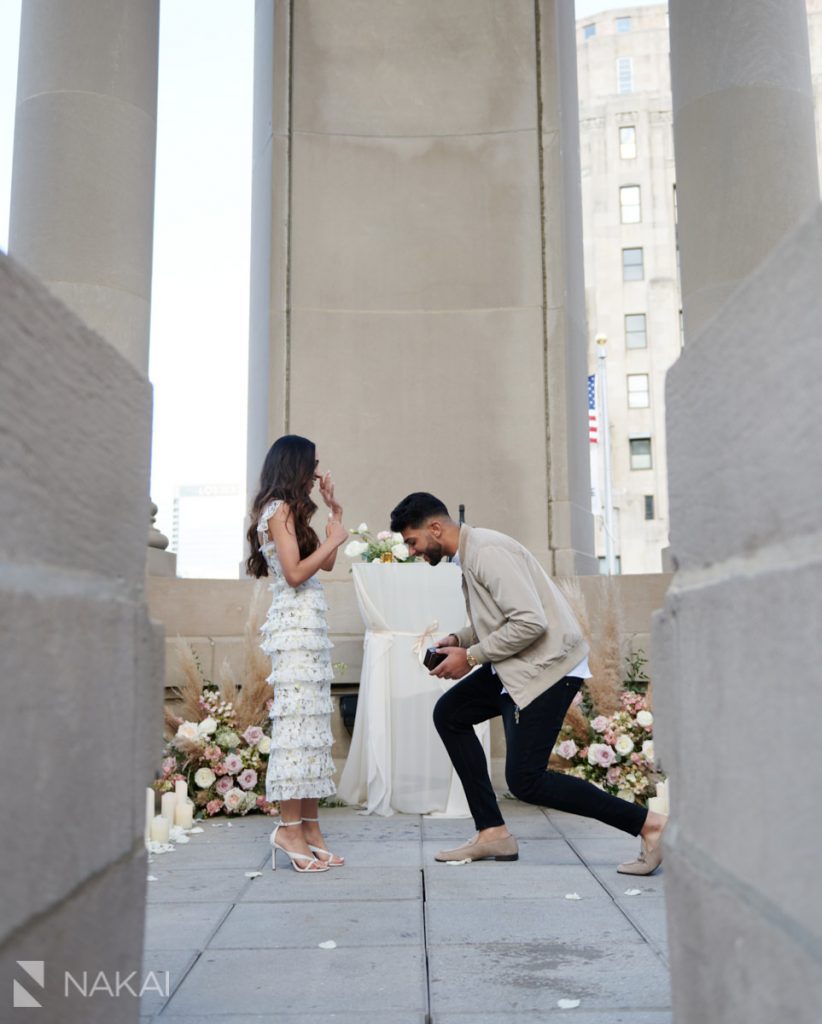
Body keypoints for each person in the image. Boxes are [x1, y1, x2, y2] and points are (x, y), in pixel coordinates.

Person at [389, 492, 667, 874]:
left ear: (435, 528)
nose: (412, 550)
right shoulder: (471, 554)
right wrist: (460, 640)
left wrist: (470, 658)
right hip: (517, 663)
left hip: (547, 667)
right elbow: (502, 619)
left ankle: (650, 825)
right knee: (450, 713)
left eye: (412, 541)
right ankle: (492, 832)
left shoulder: (486, 552)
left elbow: (530, 623)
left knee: (525, 780)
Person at [246, 435, 349, 873]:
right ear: (294, 466)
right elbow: (293, 574)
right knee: (295, 727)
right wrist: (335, 538)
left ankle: (310, 827)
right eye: (312, 465)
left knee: (310, 726)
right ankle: (288, 828)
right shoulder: (278, 509)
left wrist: (334, 514)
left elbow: (322, 564)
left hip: (309, 627)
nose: (316, 473)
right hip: (293, 628)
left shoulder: (293, 511)